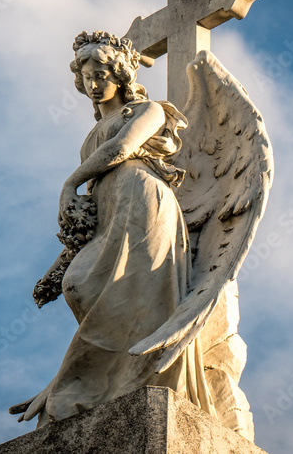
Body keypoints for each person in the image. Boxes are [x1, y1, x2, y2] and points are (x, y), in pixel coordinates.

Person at [12, 30, 220, 427]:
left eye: (102, 75)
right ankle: (91, 380)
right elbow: (87, 219)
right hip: (109, 211)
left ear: (121, 75)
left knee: (134, 294)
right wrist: (56, 268)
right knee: (78, 284)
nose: (93, 84)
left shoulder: (151, 111)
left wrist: (70, 183)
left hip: (142, 201)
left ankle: (121, 379)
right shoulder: (90, 136)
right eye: (87, 77)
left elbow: (121, 149)